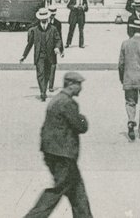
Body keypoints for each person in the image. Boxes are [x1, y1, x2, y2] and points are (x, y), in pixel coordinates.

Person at [22, 72, 91, 218]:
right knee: (57, 191)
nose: (81, 88)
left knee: (78, 194)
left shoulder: (56, 100)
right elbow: (81, 126)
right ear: (71, 84)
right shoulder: (68, 103)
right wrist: (83, 119)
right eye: (79, 85)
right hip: (63, 157)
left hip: (54, 154)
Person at [118, 19, 140, 141]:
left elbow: (121, 64)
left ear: (132, 30)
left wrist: (122, 78)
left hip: (128, 77)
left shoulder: (125, 44)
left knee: (130, 102)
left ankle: (131, 120)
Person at [21, 7, 65, 101]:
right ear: (40, 19)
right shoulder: (35, 30)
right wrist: (24, 56)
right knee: (40, 74)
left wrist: (57, 48)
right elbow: (30, 44)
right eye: (42, 19)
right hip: (39, 56)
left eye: (45, 18)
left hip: (50, 56)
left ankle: (44, 89)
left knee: (47, 74)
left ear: (47, 18)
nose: (44, 20)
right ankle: (43, 92)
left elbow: (58, 40)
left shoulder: (53, 29)